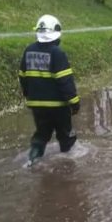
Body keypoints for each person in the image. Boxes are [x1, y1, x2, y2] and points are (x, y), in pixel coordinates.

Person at [19, 14, 80, 164]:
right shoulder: (57, 53)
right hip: (58, 106)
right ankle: (68, 166)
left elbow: (23, 77)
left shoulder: (28, 51)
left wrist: (28, 95)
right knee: (66, 137)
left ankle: (31, 161)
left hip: (37, 106)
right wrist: (74, 102)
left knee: (41, 135)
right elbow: (65, 81)